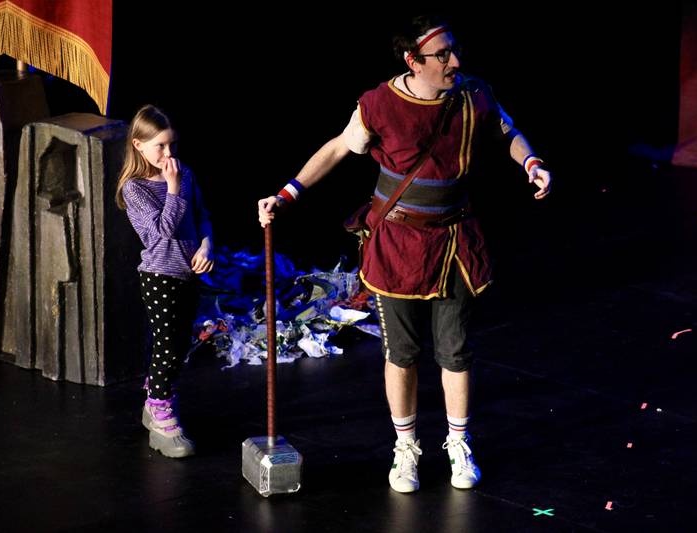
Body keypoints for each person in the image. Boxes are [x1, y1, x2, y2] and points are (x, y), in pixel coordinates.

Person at [257, 15, 551, 492]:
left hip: (454, 243)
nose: (454, 62)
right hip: (397, 247)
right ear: (413, 62)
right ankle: (406, 448)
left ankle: (459, 445)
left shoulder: (473, 95)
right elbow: (338, 148)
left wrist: (532, 162)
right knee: (403, 353)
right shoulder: (380, 105)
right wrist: (288, 193)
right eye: (442, 55)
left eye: (455, 51)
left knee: (455, 350)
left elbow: (507, 131)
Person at [116, 105, 214, 458]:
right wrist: (172, 189)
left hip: (188, 272)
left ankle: (156, 396)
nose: (168, 153)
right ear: (139, 145)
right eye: (160, 146)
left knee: (181, 345)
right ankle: (160, 409)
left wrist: (207, 244)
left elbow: (201, 215)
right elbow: (161, 233)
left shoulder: (184, 173)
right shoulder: (135, 189)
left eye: (171, 144)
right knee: (167, 346)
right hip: (159, 275)